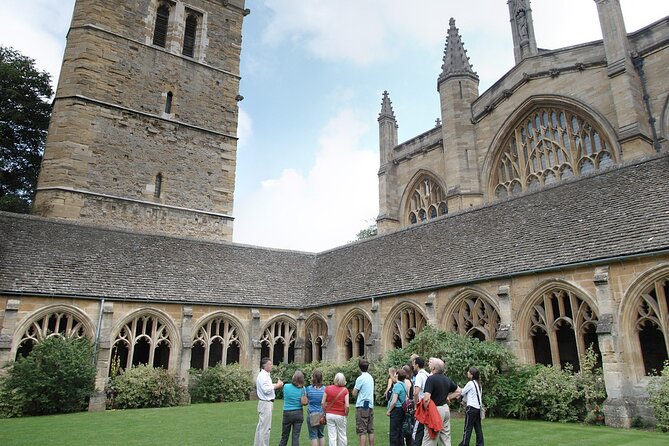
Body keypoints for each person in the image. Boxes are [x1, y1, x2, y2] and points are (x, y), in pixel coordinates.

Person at [421, 358, 461, 446]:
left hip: (435, 410)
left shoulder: (431, 379)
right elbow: (458, 391)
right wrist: (448, 397)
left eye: (431, 364)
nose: (429, 365)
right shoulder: (447, 379)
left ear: (434, 368)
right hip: (445, 409)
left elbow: (426, 398)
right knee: (445, 438)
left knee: (430, 438)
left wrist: (424, 409)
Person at [254, 357, 284, 446]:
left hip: (266, 403)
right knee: (265, 429)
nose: (272, 366)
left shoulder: (266, 375)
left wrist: (278, 384)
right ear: (265, 366)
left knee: (261, 427)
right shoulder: (263, 376)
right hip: (265, 403)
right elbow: (266, 389)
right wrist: (277, 385)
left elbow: (268, 386)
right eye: (270, 364)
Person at [279, 370, 307, 446]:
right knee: (295, 437)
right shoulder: (303, 389)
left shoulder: (286, 386)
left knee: (284, 436)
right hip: (298, 413)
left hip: (287, 413)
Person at [458, 367, 484, 446]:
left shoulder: (470, 383)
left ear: (472, 375)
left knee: (467, 429)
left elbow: (462, 392)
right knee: (478, 428)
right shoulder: (479, 384)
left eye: (469, 372)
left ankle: (464, 444)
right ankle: (480, 444)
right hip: (478, 408)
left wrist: (457, 390)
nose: (467, 373)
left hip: (471, 408)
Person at [322, 372, 349, 446]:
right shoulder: (345, 390)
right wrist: (346, 414)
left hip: (329, 414)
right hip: (340, 414)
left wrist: (325, 411)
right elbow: (347, 405)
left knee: (332, 436)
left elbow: (322, 402)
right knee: (342, 435)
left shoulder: (328, 388)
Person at [353, 358, 375, 446]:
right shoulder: (370, 377)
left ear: (359, 367)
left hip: (362, 405)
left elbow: (354, 393)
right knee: (371, 429)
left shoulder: (360, 378)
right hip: (370, 405)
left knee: (362, 430)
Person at [386, 368, 408, 446]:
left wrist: (389, 410)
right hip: (402, 410)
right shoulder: (404, 385)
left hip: (396, 410)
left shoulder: (397, 386)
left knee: (393, 432)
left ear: (398, 375)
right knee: (400, 431)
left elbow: (394, 401)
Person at [306, 370, 326, 446]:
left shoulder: (309, 389)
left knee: (313, 436)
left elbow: (307, 400)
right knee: (321, 435)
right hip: (321, 414)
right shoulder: (325, 389)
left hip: (312, 414)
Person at [412, 357, 430, 446]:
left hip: (422, 405)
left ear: (417, 365)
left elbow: (416, 392)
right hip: (429, 405)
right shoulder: (428, 374)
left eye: (413, 363)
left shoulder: (419, 375)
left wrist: (416, 405)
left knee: (416, 431)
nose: (413, 365)